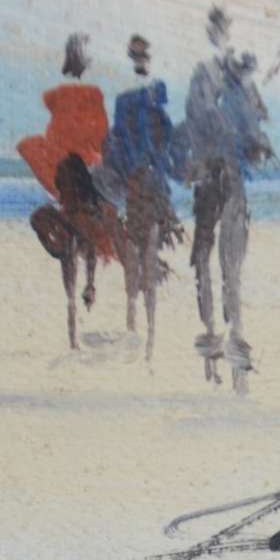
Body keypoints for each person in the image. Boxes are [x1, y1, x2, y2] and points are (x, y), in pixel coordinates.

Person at [184, 7, 274, 392]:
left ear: (227, 32)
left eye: (224, 28)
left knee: (231, 266)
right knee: (203, 261)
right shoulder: (203, 74)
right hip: (209, 175)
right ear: (210, 33)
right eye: (215, 29)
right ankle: (211, 340)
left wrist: (257, 138)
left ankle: (235, 339)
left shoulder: (241, 78)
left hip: (234, 177)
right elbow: (197, 117)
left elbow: (256, 124)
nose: (219, 34)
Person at [19, 33, 120, 350]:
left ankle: (70, 265)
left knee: (68, 215)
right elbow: (100, 140)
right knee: (102, 216)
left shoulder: (62, 96)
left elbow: (59, 138)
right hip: (79, 176)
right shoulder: (91, 95)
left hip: (68, 177)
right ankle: (87, 279)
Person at [103, 34, 187, 363]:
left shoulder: (153, 95)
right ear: (132, 57)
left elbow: (165, 137)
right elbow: (120, 137)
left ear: (146, 58)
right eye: (137, 55)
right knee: (133, 250)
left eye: (143, 56)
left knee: (148, 251)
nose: (141, 60)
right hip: (136, 175)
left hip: (150, 180)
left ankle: (147, 326)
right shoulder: (130, 97)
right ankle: (134, 324)